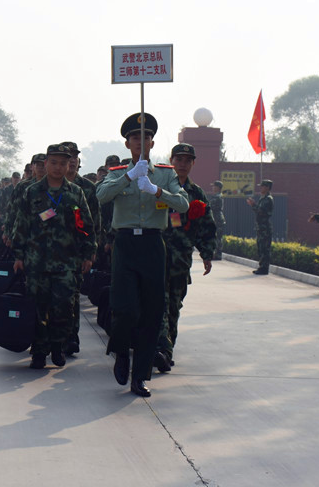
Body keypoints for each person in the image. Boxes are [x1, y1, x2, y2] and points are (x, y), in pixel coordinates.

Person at [96, 113, 189, 397]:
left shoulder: (165, 174)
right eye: (135, 137)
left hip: (152, 244)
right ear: (127, 144)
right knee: (125, 308)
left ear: (152, 142)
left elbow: (183, 204)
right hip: (125, 243)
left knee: (152, 311)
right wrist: (129, 176)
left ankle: (140, 376)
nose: (141, 141)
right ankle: (121, 352)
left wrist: (156, 190)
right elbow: (101, 196)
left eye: (146, 137)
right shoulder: (116, 172)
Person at [11, 143, 95, 369]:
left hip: (67, 263)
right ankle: (39, 351)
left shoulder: (75, 193)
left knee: (64, 307)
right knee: (38, 308)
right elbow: (22, 224)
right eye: (54, 162)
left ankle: (58, 345)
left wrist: (88, 253)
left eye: (63, 163)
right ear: (46, 163)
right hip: (36, 261)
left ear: (69, 165)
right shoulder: (32, 192)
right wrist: (18, 255)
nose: (58, 167)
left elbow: (85, 225)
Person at [157, 144, 216, 371]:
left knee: (174, 305)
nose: (182, 164)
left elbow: (206, 225)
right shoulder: (160, 187)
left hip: (180, 260)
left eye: (187, 160)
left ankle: (166, 349)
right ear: (171, 160)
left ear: (193, 163)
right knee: (159, 303)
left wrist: (207, 253)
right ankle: (161, 349)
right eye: (179, 159)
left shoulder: (196, 194)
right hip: (156, 255)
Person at [63, 142, 100, 357]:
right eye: (68, 157)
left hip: (75, 252)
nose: (72, 161)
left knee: (72, 295)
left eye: (75, 157)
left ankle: (70, 338)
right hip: (45, 252)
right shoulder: (45, 187)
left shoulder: (87, 188)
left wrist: (90, 250)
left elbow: (93, 222)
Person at [247, 179, 274, 275]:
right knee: (261, 247)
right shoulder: (263, 198)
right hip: (261, 227)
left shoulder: (268, 199)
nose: (261, 188)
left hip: (265, 227)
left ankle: (264, 268)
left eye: (262, 186)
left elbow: (262, 212)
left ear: (267, 187)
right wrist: (254, 205)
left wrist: (253, 205)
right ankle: (261, 266)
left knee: (265, 248)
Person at [210, 181, 225, 258]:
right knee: (216, 236)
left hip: (217, 219)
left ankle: (218, 254)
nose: (212, 188)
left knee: (218, 237)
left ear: (218, 188)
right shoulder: (216, 196)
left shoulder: (218, 197)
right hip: (216, 218)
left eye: (214, 186)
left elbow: (211, 207)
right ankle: (216, 253)